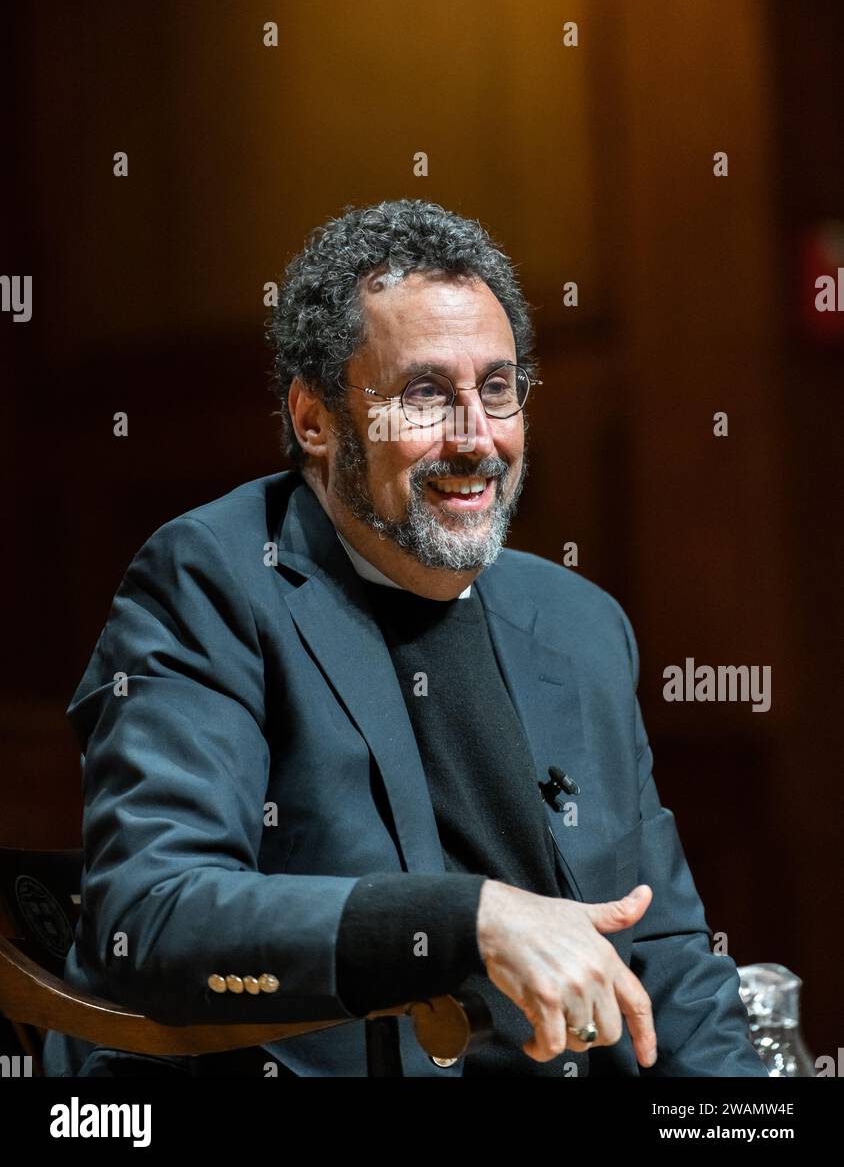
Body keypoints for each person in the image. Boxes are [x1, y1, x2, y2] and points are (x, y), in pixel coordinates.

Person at [43, 198, 766, 1077]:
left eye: (496, 389)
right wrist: (469, 920)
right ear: (314, 420)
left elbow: (669, 955)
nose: (476, 439)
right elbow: (152, 918)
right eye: (424, 393)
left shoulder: (580, 625)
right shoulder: (214, 579)